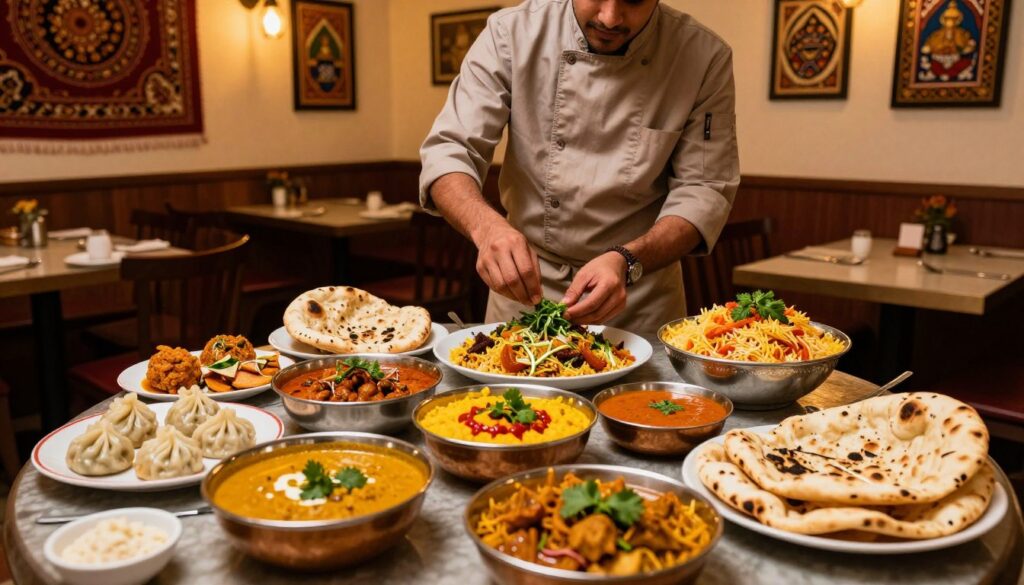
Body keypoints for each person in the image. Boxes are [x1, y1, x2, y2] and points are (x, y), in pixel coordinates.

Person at [419, 0, 739, 330]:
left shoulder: (702, 56)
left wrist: (627, 260)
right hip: (525, 290)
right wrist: (487, 230)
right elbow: (450, 149)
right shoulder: (510, 34)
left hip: (638, 298)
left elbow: (704, 189)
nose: (611, 17)